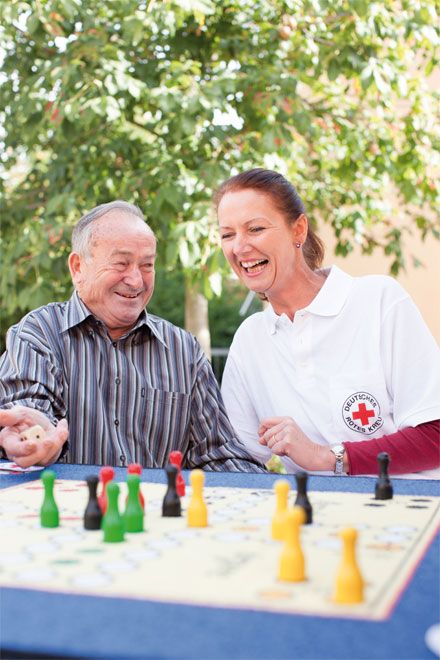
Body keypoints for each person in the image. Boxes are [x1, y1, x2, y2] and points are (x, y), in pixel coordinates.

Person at [0, 201, 265, 472]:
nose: (136, 280)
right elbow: (28, 408)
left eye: (147, 265)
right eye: (121, 263)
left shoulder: (183, 351)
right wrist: (32, 434)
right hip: (67, 511)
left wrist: (276, 492)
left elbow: (218, 453)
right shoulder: (39, 332)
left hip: (156, 512)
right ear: (78, 267)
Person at [215, 168, 440, 477]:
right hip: (317, 521)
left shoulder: (379, 301)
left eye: (255, 229)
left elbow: (435, 437)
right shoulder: (250, 340)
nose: (239, 247)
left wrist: (325, 456)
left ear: (299, 230)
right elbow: (237, 458)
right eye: (227, 234)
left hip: (412, 514)